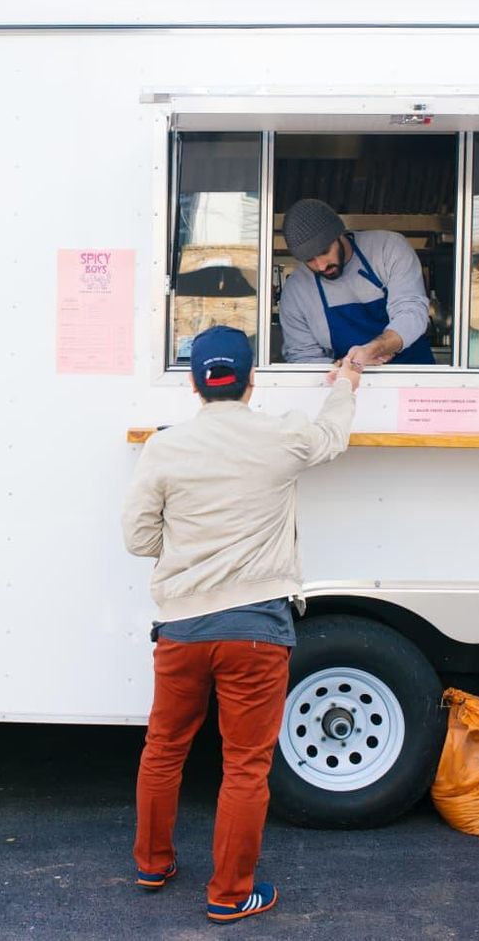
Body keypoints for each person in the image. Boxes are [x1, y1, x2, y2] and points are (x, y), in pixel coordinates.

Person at [122, 325, 360, 926]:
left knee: (164, 750)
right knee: (245, 765)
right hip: (256, 631)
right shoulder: (279, 435)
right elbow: (333, 436)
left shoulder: (164, 447)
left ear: (196, 384)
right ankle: (229, 894)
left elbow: (137, 537)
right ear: (252, 380)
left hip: (181, 628)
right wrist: (345, 384)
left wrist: (185, 549)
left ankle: (152, 864)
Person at [279, 197, 434, 366]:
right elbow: (303, 356)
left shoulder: (387, 248)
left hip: (412, 378)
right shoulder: (296, 290)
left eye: (325, 251)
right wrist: (339, 371)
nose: (321, 265)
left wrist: (377, 348)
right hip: (348, 384)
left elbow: (411, 311)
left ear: (339, 234)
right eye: (309, 260)